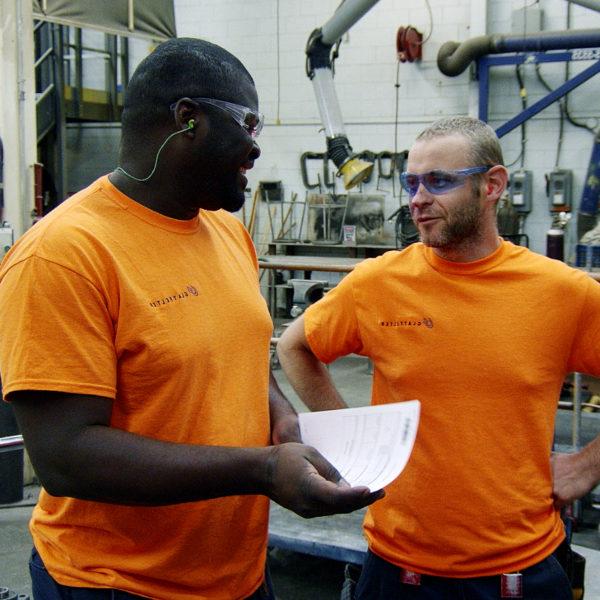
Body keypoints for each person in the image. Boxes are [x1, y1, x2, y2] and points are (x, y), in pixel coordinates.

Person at [0, 38, 383, 600]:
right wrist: (262, 469)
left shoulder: (227, 231)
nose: (256, 149)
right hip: (120, 585)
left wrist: (280, 420)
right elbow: (66, 456)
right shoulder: (65, 254)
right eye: (248, 125)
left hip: (238, 575)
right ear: (188, 119)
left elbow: (249, 355)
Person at [277, 116, 600, 600]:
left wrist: (588, 465)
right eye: (411, 182)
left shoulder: (562, 294)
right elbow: (295, 346)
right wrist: (353, 439)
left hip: (520, 573)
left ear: (492, 185)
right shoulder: (379, 283)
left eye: (439, 181)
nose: (417, 198)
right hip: (397, 573)